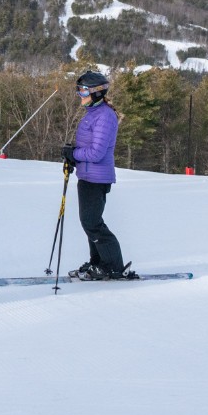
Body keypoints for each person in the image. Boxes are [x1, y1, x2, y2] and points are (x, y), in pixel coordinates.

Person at [62, 69, 128, 280]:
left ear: (96, 92)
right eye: (79, 90)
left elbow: (97, 153)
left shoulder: (105, 116)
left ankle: (113, 266)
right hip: (88, 176)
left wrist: (74, 154)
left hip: (97, 178)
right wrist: (73, 156)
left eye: (83, 91)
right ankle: (98, 262)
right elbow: (89, 147)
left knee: (92, 222)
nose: (79, 95)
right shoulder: (93, 114)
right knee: (90, 222)